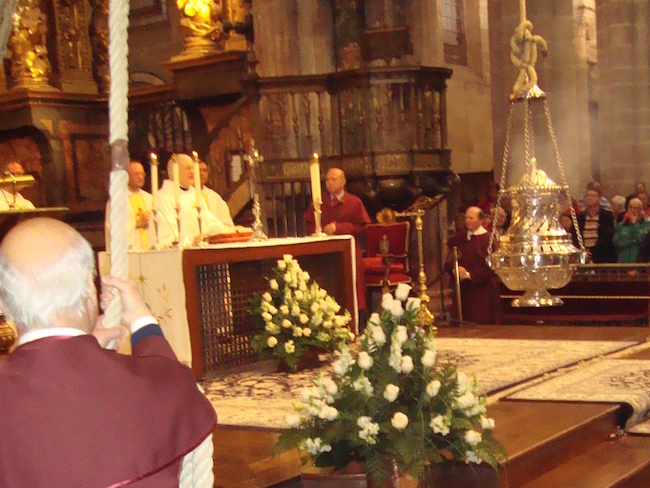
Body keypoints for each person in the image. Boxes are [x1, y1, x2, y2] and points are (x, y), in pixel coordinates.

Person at [0, 218, 217, 487]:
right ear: (90, 293)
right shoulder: (151, 386)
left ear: (4, 308)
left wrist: (83, 354)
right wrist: (142, 321)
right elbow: (175, 385)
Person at [305, 167, 371, 312]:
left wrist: (338, 228)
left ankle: (355, 318)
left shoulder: (354, 202)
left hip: (350, 252)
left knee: (352, 286)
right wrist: (321, 230)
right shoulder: (319, 202)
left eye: (333, 179)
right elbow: (310, 224)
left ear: (343, 181)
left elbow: (362, 226)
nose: (329, 183)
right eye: (327, 180)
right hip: (325, 254)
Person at [158, 153, 234, 247]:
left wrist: (228, 231)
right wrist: (190, 240)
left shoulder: (195, 195)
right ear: (174, 171)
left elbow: (210, 222)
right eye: (188, 168)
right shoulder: (163, 197)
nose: (192, 172)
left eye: (193, 168)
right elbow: (166, 234)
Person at [445, 206, 502, 325]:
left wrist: (470, 275)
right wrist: (456, 269)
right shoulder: (458, 239)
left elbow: (493, 267)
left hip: (483, 292)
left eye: (471, 218)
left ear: (480, 220)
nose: (467, 220)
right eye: (466, 217)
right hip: (463, 292)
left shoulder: (489, 240)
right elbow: (448, 262)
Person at [105, 160, 154, 251]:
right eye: (136, 174)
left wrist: (151, 220)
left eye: (142, 174)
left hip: (150, 251)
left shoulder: (150, 198)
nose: (140, 177)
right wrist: (136, 224)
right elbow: (112, 230)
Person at [577, 182, 616, 263]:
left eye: (593, 195)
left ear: (599, 199)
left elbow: (607, 237)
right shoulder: (580, 217)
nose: (589, 198)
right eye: (588, 195)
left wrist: (591, 252)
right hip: (584, 256)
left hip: (601, 256)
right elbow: (576, 235)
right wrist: (583, 252)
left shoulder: (606, 216)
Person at [613, 198, 650, 263]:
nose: (632, 210)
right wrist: (633, 241)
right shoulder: (621, 225)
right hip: (623, 261)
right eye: (630, 207)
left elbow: (643, 241)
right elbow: (616, 243)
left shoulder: (647, 225)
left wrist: (634, 224)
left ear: (641, 210)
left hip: (640, 263)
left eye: (635, 208)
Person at [199, 160, 235, 227]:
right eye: (198, 170)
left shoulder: (214, 197)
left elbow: (226, 222)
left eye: (204, 170)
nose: (201, 173)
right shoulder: (185, 195)